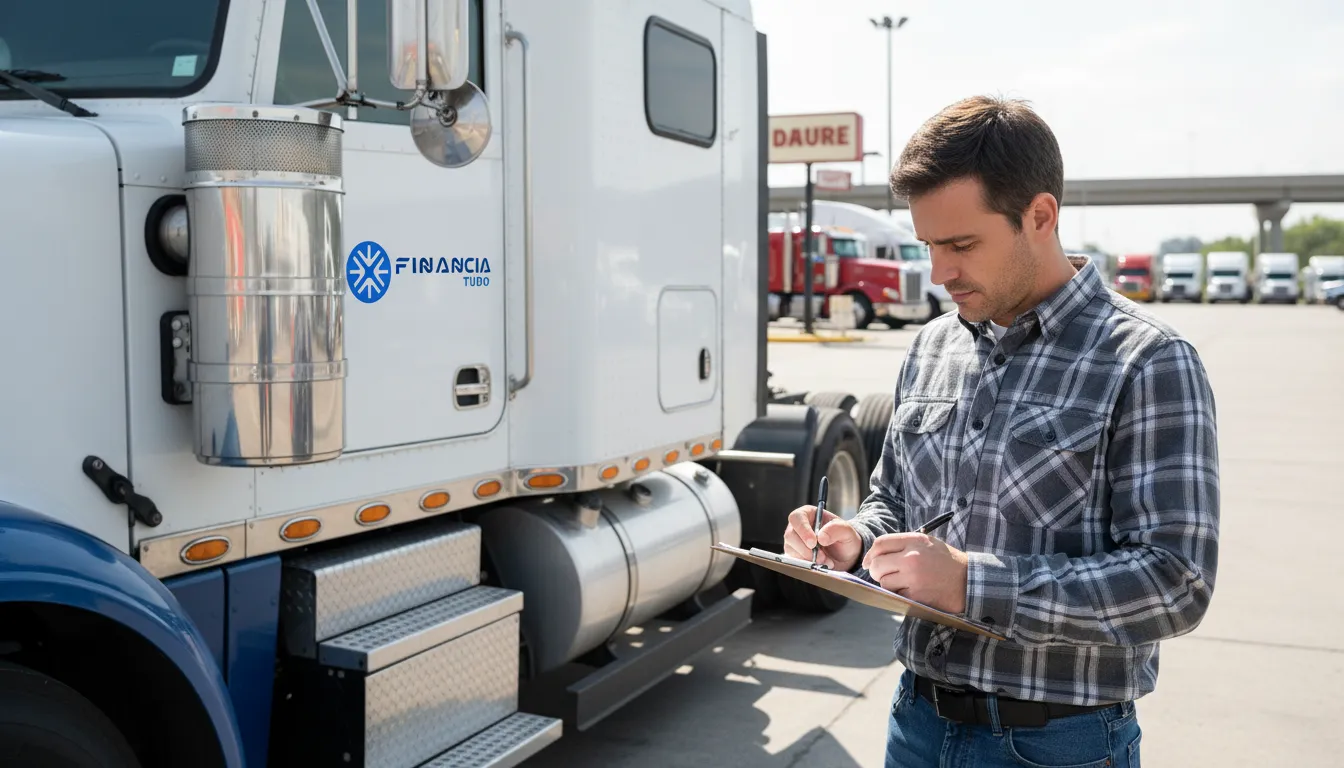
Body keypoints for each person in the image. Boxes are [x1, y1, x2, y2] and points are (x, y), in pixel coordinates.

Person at [782, 95, 1220, 767]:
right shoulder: (932, 347)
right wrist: (855, 538)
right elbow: (893, 500)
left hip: (1057, 744)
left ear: (1039, 217)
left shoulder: (1147, 359)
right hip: (917, 721)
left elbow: (1175, 581)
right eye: (930, 246)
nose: (940, 273)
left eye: (961, 245)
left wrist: (973, 585)